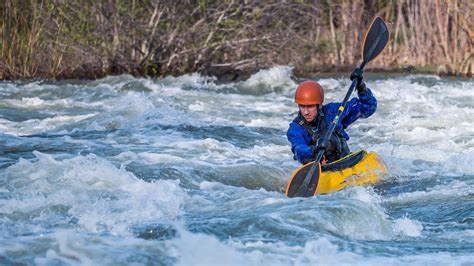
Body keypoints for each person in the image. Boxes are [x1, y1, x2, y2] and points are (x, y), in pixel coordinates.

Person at [287, 68, 377, 165]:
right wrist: (315, 149)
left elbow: (367, 107)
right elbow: (298, 150)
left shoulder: (333, 112)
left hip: (344, 161)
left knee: (332, 136)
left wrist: (361, 87)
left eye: (310, 107)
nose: (305, 112)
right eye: (302, 106)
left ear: (320, 105)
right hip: (318, 169)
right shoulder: (295, 128)